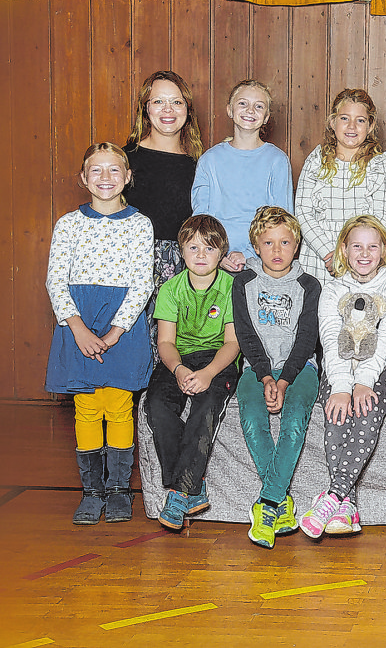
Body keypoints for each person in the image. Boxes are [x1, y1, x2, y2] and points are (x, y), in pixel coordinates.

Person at [46, 143, 154, 524]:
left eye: (114, 170)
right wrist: (77, 328)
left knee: (119, 405)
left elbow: (143, 283)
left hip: (121, 327)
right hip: (78, 323)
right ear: (82, 178)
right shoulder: (69, 223)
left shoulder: (140, 224)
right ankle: (91, 491)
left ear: (127, 177)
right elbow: (55, 280)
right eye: (96, 170)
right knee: (88, 407)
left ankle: (119, 489)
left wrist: (113, 333)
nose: (105, 178)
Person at [302, 216, 386, 540]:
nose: (365, 254)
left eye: (372, 246)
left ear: (384, 250)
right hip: (340, 367)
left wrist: (363, 382)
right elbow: (331, 338)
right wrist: (340, 386)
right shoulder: (333, 288)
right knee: (335, 412)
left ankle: (332, 496)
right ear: (345, 251)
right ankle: (347, 505)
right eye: (357, 246)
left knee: (365, 410)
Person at [143, 214, 241, 531]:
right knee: (156, 404)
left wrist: (210, 373)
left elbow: (233, 343)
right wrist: (180, 368)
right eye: (193, 247)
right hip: (179, 358)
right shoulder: (171, 289)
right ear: (181, 251)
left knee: (206, 405)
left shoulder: (231, 288)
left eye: (209, 249)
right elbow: (166, 342)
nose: (201, 255)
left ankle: (178, 492)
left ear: (222, 254)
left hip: (218, 358)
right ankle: (194, 488)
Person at [231, 207, 321, 549]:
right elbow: (245, 333)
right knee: (254, 422)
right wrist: (266, 377)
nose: (277, 250)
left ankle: (267, 502)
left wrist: (283, 381)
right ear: (256, 245)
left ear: (296, 246)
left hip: (301, 368)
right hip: (256, 368)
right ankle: (283, 503)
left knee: (294, 421)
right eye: (268, 242)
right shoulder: (244, 283)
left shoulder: (308, 285)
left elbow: (306, 337)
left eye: (285, 242)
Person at [123, 71, 203, 359]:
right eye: (158, 101)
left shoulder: (202, 163)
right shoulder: (125, 160)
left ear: (187, 109)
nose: (168, 110)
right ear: (145, 109)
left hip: (187, 264)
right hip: (136, 263)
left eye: (176, 102)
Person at [295, 89, 386, 284]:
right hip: (320, 257)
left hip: (364, 259)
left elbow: (382, 219)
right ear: (333, 122)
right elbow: (303, 212)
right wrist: (329, 254)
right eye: (344, 118)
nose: (352, 126)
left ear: (370, 125)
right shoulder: (317, 160)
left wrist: (353, 254)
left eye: (360, 120)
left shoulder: (379, 165)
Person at [192, 80, 294, 272]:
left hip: (261, 262)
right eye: (243, 103)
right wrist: (217, 253)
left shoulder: (277, 160)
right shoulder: (209, 160)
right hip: (215, 260)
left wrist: (249, 254)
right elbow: (201, 217)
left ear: (266, 117)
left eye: (259, 106)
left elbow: (282, 219)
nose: (250, 110)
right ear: (230, 110)